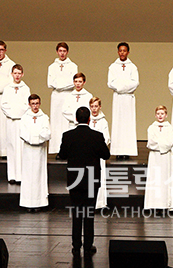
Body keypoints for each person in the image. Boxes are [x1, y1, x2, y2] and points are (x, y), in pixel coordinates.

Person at [59, 107, 111, 256]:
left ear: (76, 119)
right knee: (89, 213)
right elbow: (106, 155)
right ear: (89, 119)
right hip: (91, 179)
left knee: (76, 212)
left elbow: (62, 155)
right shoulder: (97, 136)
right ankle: (88, 246)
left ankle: (76, 246)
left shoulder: (68, 135)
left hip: (75, 179)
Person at [144, 105, 173, 212]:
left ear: (166, 115)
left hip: (166, 157)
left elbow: (171, 141)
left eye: (162, 114)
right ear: (155, 115)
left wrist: (162, 144)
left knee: (166, 178)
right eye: (158, 114)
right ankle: (154, 203)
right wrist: (163, 144)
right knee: (155, 178)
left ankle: (168, 203)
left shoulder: (170, 128)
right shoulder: (151, 128)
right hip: (155, 157)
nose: (160, 116)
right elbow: (151, 142)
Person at [108, 42, 139, 160]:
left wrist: (122, 87)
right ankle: (118, 151)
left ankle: (127, 150)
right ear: (118, 52)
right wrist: (122, 87)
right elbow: (111, 82)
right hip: (118, 98)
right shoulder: (113, 67)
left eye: (124, 51)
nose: (122, 53)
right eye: (120, 50)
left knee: (128, 124)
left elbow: (135, 83)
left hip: (128, 99)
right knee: (118, 123)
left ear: (128, 52)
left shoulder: (132, 67)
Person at [20, 94, 51, 212]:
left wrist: (36, 138)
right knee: (28, 176)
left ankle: (39, 202)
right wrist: (35, 137)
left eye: (37, 103)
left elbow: (47, 132)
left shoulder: (44, 117)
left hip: (40, 151)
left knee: (39, 175)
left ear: (40, 103)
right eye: (33, 104)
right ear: (29, 104)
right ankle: (28, 202)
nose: (35, 106)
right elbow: (23, 133)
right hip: (28, 150)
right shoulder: (25, 117)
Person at [1, 64, 31, 184]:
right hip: (11, 121)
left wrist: (18, 114)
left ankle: (21, 175)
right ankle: (12, 175)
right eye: (15, 73)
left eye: (19, 73)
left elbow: (27, 104)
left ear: (22, 74)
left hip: (21, 121)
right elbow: (4, 104)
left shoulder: (25, 88)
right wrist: (12, 114)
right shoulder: (7, 88)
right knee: (11, 146)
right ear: (12, 74)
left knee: (21, 147)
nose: (17, 75)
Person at [47, 42, 78, 155]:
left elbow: (73, 82)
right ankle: (57, 149)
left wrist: (60, 85)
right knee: (55, 122)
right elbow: (50, 83)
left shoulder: (73, 66)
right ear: (57, 52)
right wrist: (62, 84)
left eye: (64, 51)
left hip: (68, 95)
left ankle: (68, 149)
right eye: (60, 51)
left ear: (67, 52)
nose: (62, 53)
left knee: (67, 122)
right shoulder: (52, 66)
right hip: (56, 97)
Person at [88, 97, 111, 209]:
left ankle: (100, 202)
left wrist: (98, 148)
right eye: (92, 106)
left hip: (98, 155)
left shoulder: (103, 121)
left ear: (100, 107)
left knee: (99, 177)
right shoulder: (87, 120)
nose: (94, 109)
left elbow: (106, 138)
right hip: (88, 154)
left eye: (96, 106)